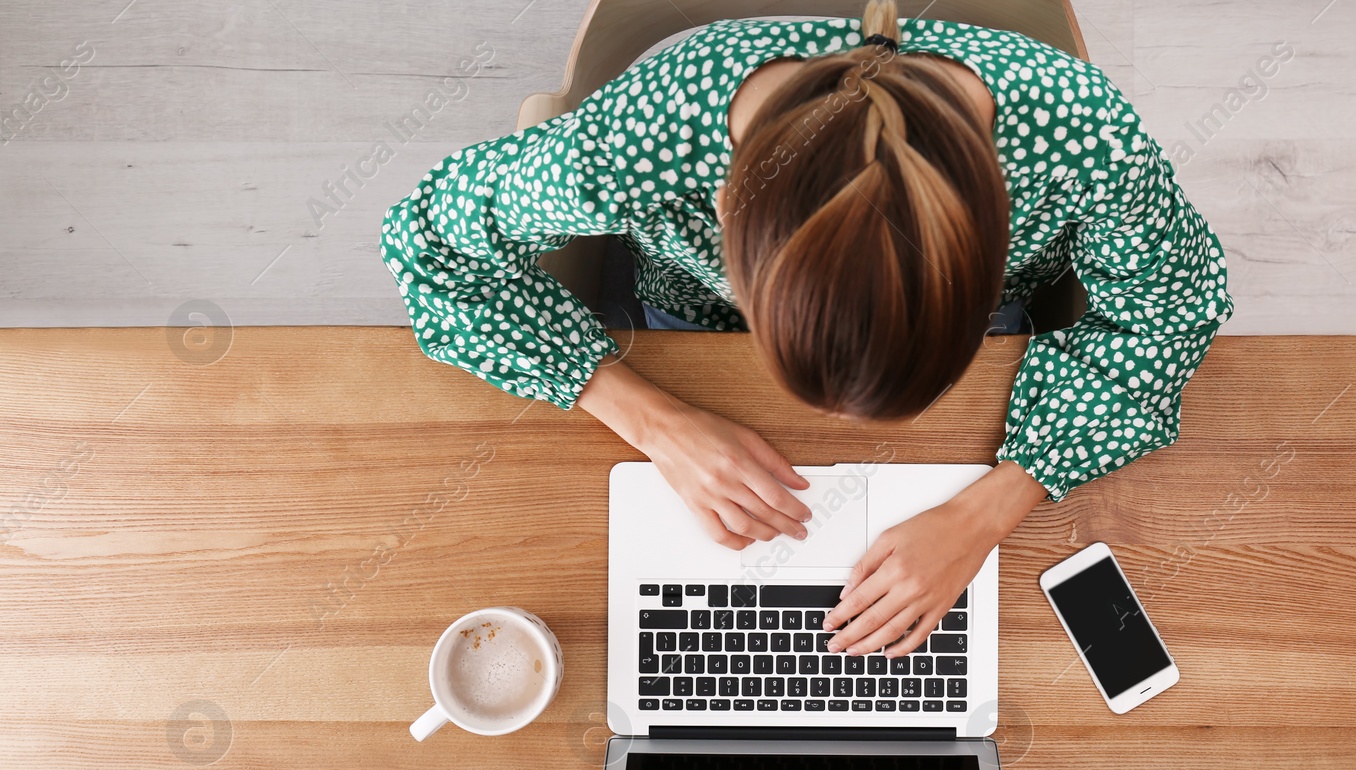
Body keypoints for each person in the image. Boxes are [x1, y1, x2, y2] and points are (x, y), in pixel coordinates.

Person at [380, 0, 1232, 659]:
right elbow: (426, 242)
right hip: (692, 324)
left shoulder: (1085, 139)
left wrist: (990, 509)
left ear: (999, 225)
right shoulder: (641, 140)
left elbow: (1174, 305)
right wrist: (652, 419)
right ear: (721, 215)